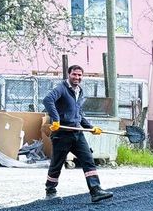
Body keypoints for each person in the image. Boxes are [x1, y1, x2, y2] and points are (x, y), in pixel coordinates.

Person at [42, 65, 113, 203]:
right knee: (57, 164)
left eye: (80, 75)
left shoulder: (80, 91)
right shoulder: (61, 88)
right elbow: (47, 100)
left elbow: (78, 113)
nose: (77, 77)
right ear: (69, 74)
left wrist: (91, 127)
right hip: (61, 133)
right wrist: (56, 119)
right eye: (74, 74)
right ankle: (50, 190)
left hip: (77, 133)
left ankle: (95, 190)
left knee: (88, 159)